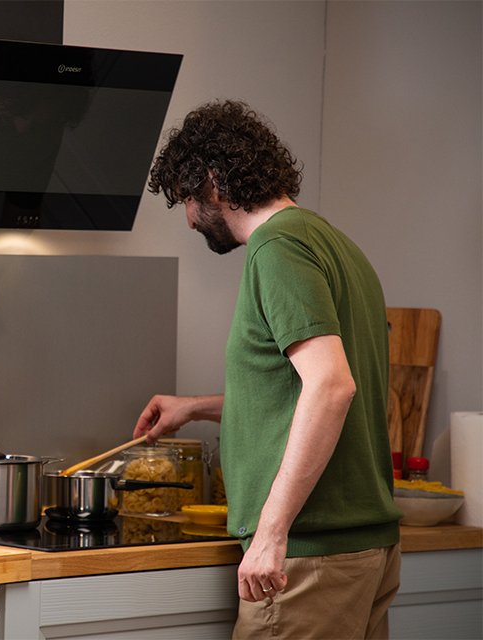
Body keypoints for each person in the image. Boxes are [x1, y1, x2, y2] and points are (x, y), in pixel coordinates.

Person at [134, 100, 402, 639]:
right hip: (361, 549)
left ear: (212, 181)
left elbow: (331, 387)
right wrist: (199, 408)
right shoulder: (335, 245)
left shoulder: (276, 247)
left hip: (307, 559)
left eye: (186, 198)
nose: (189, 218)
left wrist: (271, 534)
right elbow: (304, 392)